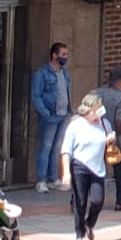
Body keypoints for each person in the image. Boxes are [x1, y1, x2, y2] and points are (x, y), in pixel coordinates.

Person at [59, 92, 115, 240]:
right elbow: (66, 151)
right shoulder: (75, 126)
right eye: (98, 106)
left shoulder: (105, 124)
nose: (101, 109)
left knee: (97, 201)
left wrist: (111, 140)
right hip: (80, 166)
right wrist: (66, 173)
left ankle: (89, 223)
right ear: (90, 109)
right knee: (80, 201)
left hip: (98, 167)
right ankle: (79, 233)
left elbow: (109, 141)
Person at [31, 43, 72, 194]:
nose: (65, 57)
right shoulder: (42, 74)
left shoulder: (65, 73)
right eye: (63, 54)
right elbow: (36, 96)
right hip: (50, 116)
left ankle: (53, 178)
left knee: (56, 148)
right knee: (46, 147)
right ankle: (41, 180)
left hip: (62, 115)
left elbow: (66, 92)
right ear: (54, 55)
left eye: (66, 54)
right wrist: (45, 113)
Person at [93, 65, 121, 211]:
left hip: (93, 136)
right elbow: (120, 123)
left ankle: (76, 201)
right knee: (120, 170)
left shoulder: (95, 92)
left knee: (89, 170)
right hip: (112, 138)